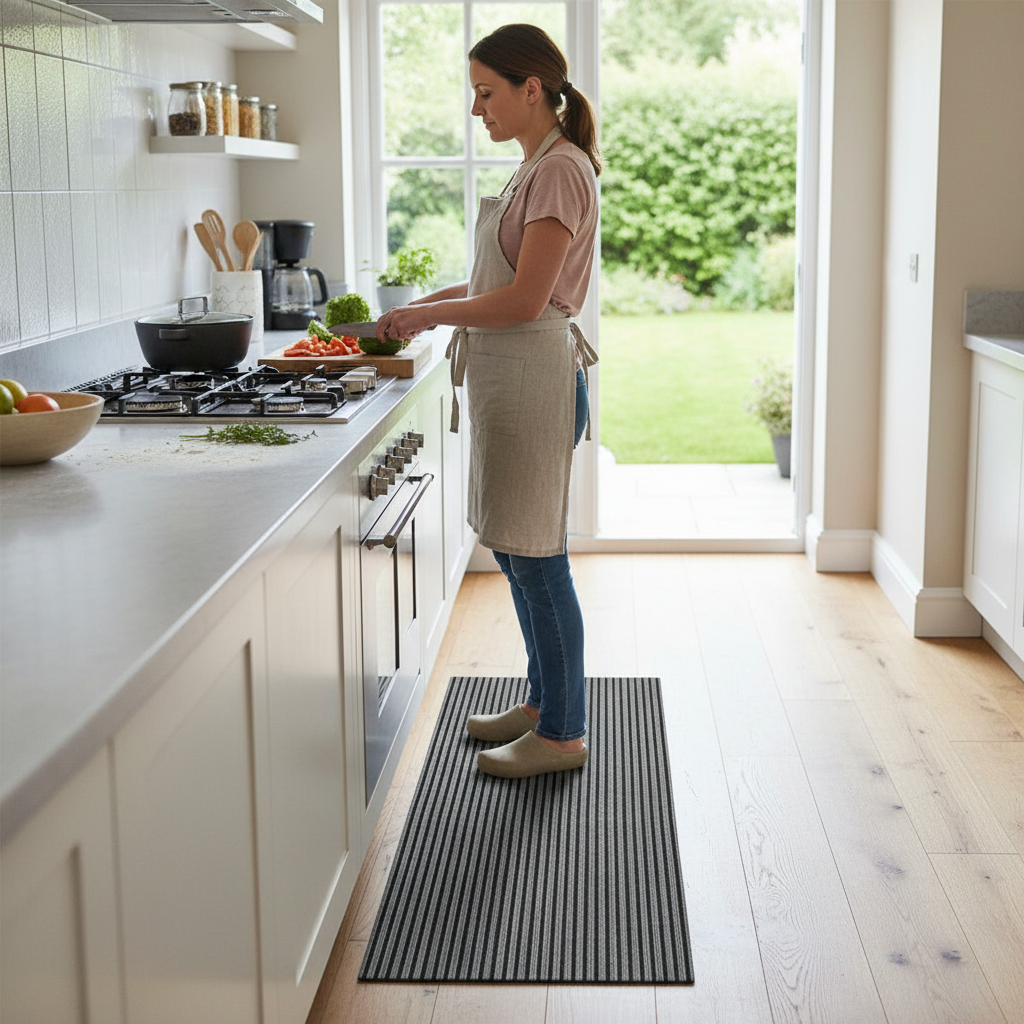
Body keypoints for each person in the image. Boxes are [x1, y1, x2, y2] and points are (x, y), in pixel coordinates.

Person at [375, 23, 600, 780]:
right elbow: (488, 287)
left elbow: (527, 300)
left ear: (530, 89)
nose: (477, 109)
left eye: (485, 92)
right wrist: (417, 309)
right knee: (516, 550)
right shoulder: (530, 169)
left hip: (535, 381)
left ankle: (563, 735)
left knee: (540, 559)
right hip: (512, 383)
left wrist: (432, 318)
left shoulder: (560, 171)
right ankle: (541, 704)